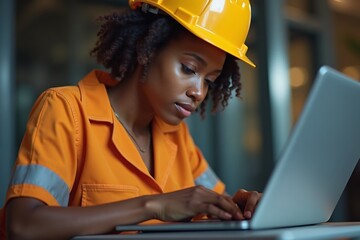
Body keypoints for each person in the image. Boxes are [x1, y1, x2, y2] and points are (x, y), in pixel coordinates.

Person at [1, 0, 261, 239]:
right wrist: (153, 206)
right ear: (145, 49)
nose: (198, 92)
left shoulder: (177, 136)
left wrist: (238, 206)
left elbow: (210, 201)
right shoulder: (66, 111)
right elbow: (23, 225)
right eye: (189, 69)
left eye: (209, 81)